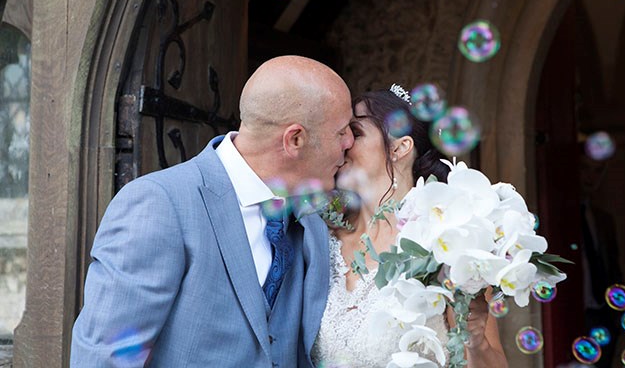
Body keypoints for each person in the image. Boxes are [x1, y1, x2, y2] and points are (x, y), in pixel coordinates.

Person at [70, 55, 354, 367]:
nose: (350, 142)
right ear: (295, 139)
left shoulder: (311, 216)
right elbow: (104, 358)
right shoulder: (159, 204)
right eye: (341, 131)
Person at [311, 86, 508, 368]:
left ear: (399, 147)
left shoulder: (446, 242)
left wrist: (475, 340)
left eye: (354, 132)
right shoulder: (318, 236)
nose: (342, 142)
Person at [579, 146, 623, 368]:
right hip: (574, 314)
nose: (590, 177)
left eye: (598, 171)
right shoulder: (559, 216)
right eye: (585, 168)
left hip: (602, 316)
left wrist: (617, 315)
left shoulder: (602, 218)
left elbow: (612, 267)